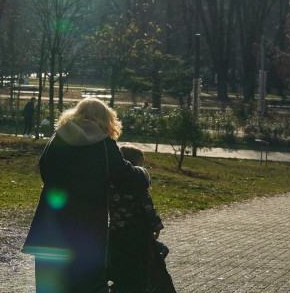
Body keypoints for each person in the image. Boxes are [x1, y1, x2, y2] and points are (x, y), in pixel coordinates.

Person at [23, 98, 144, 293]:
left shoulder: (59, 137)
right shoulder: (104, 145)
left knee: (49, 283)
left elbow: (45, 169)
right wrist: (143, 174)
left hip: (52, 222)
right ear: (106, 119)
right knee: (88, 283)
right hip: (88, 226)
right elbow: (126, 176)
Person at [108, 146, 176, 293]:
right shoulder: (138, 183)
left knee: (121, 264)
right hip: (137, 233)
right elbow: (148, 207)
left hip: (116, 232)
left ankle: (120, 285)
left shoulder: (112, 184)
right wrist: (156, 226)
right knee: (155, 256)